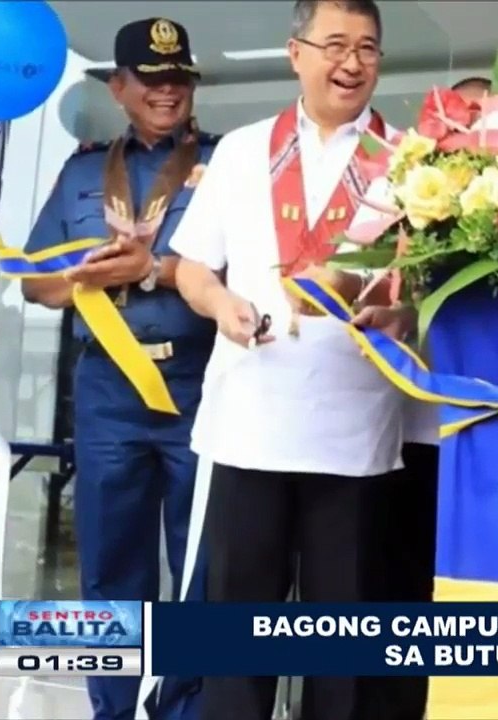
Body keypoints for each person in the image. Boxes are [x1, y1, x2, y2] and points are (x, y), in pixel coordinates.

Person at [170, 1, 421, 718]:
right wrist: (222, 307)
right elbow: (191, 268)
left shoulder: (411, 161)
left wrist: (403, 315)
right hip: (250, 422)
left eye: (368, 48)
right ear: (296, 52)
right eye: (335, 44)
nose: (352, 63)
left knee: (336, 636)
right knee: (240, 627)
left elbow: (429, 290)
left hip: (354, 431)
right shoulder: (244, 150)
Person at [20, 17, 215, 720]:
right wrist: (86, 276)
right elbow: (33, 282)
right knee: (109, 568)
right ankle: (114, 709)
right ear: (120, 88)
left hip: (198, 382)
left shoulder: (222, 168)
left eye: (179, 80)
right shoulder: (81, 171)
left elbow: (241, 273)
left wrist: (155, 270)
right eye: (153, 81)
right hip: (107, 388)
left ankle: (185, 711)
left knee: (199, 569)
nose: (168, 93)